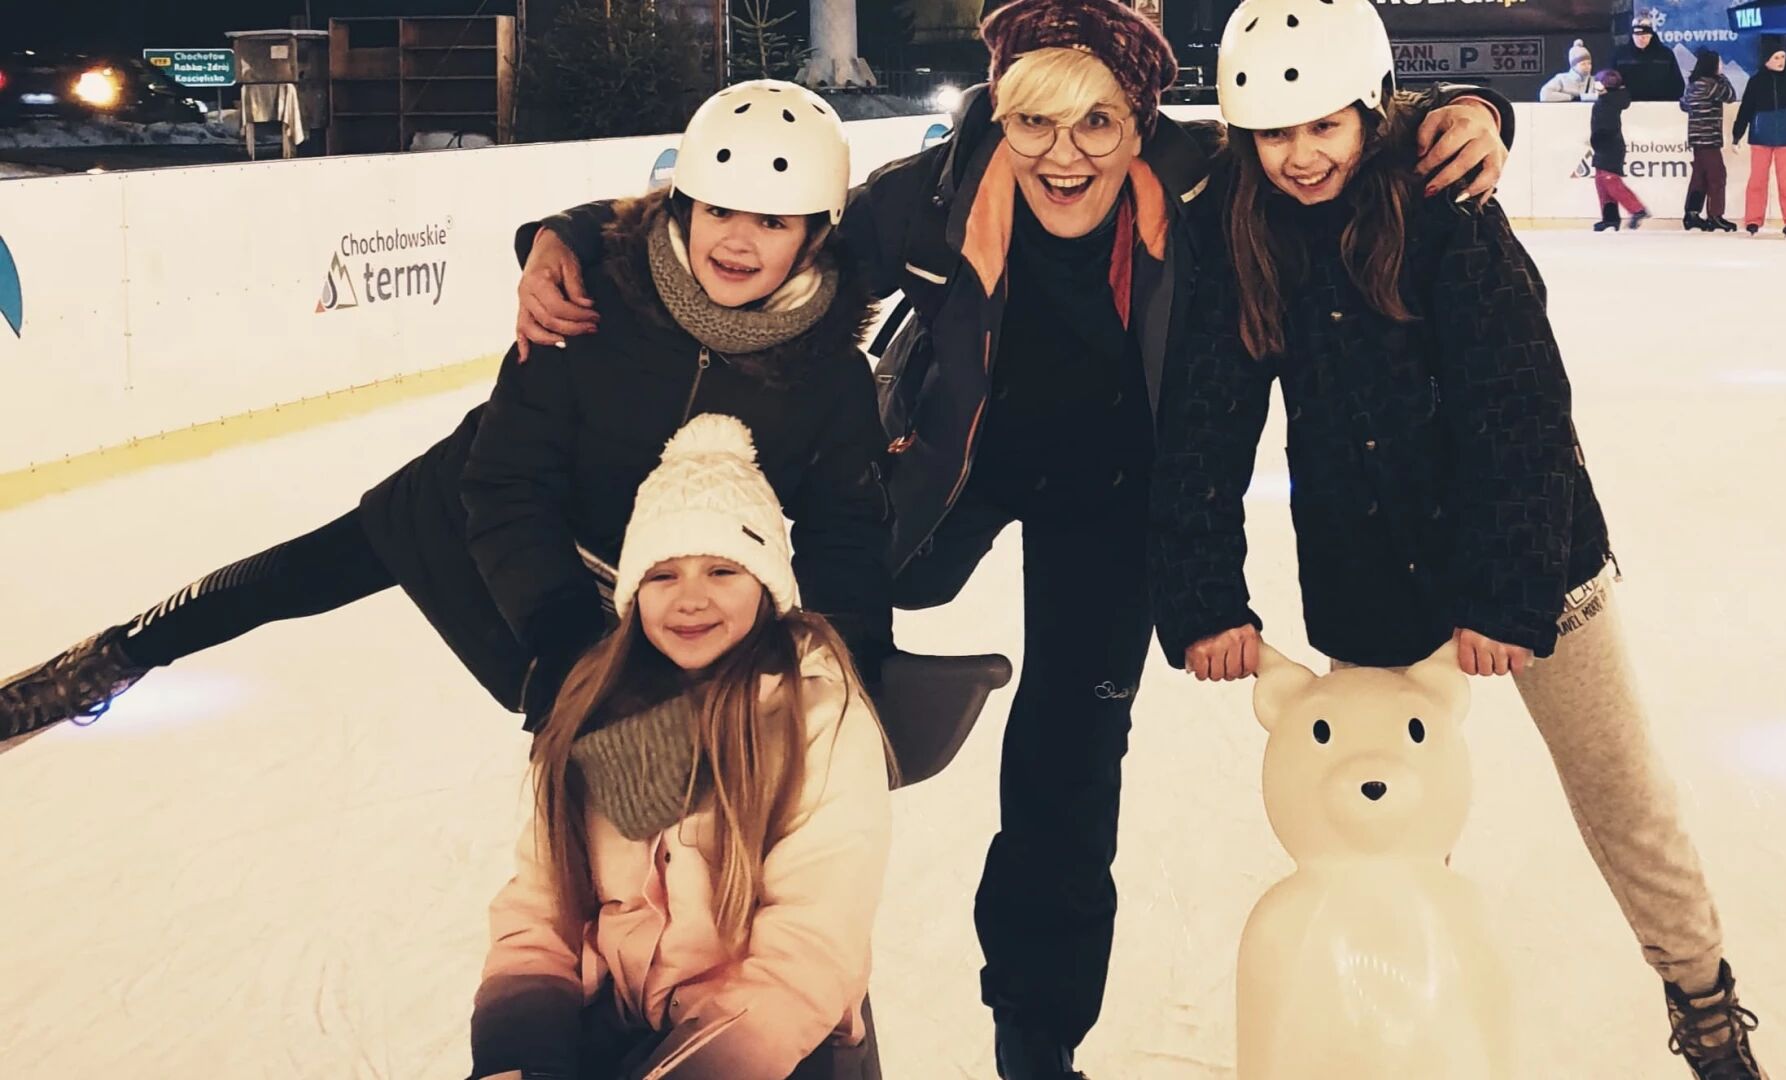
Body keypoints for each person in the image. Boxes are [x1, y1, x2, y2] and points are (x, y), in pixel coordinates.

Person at [511, 3, 1515, 1074]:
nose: (1062, 155)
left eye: (1097, 123)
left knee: (1068, 762)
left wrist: (1471, 108)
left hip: (1114, 498)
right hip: (954, 474)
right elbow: (762, 213)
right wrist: (565, 235)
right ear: (999, 114)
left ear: (1142, 117)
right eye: (1032, 121)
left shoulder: (1205, 178)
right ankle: (702, 941)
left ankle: (1036, 1044)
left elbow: (1337, 132)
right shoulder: (933, 197)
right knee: (780, 678)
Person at [1150, 2, 1772, 1078]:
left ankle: (1704, 999)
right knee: (1385, 828)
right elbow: (1206, 421)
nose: (1300, 156)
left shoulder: (1445, 205)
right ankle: (1403, 1040)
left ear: (1369, 110)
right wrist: (1204, 596)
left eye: (1324, 125)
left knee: (1620, 792)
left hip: (1535, 561)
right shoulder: (1237, 228)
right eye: (1274, 133)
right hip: (1367, 574)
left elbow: (1522, 408)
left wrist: (1508, 593)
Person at [0, 81, 893, 746]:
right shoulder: (585, 306)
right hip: (474, 518)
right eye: (720, 210)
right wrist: (563, 640)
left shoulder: (829, 378)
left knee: (643, 764)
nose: (737, 240)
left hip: (634, 585)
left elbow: (844, 529)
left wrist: (852, 667)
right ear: (683, 205)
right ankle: (110, 658)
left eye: (772, 223)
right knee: (289, 579)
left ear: (815, 233)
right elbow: (507, 485)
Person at [470, 414, 892, 1080]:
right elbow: (543, 903)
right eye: (663, 575)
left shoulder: (813, 719)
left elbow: (810, 949)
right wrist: (518, 1050)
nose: (690, 599)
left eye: (722, 570)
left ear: (767, 586)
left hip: (770, 1045)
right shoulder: (602, 708)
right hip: (614, 1025)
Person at [1733, 50, 1786, 236]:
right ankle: (1753, 220)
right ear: (1766, 60)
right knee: (1757, 180)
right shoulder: (1756, 81)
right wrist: (1737, 135)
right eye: (1776, 58)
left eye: (1783, 57)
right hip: (1760, 137)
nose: (1781, 61)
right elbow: (1746, 109)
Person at [1681, 50, 1739, 232]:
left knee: (1699, 177)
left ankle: (1691, 214)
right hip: (1709, 138)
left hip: (1696, 137)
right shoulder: (1712, 84)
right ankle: (1715, 215)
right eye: (1719, 62)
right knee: (1717, 176)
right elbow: (1731, 96)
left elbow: (1684, 104)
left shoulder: (1693, 85)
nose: (1722, 66)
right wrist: (1722, 77)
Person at [1590, 69, 1650, 231]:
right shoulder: (1608, 100)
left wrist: (1596, 139)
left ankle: (1637, 209)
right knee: (1602, 181)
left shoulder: (1607, 103)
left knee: (1609, 180)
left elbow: (1606, 128)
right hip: (1607, 145)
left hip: (1608, 145)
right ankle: (1610, 218)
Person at [1617, 19, 1685, 103]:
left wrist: (1669, 104)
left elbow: (1677, 84)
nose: (1640, 38)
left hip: (1660, 105)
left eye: (1644, 35)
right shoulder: (1620, 55)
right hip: (1629, 105)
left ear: (1651, 35)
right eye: (1637, 35)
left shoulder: (1666, 55)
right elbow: (1611, 81)